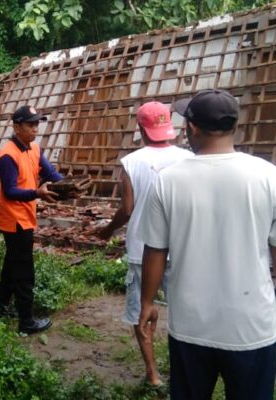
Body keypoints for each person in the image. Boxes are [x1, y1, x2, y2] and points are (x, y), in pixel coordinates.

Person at [137, 89, 276, 399]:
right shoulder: (269, 177)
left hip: (190, 326)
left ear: (193, 128)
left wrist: (147, 302)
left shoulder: (168, 181)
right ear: (234, 127)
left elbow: (156, 250)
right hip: (251, 328)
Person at [95, 101, 193, 386]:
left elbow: (127, 209)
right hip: (180, 247)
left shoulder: (132, 162)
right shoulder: (188, 158)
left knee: (142, 310)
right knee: (184, 311)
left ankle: (152, 374)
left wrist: (107, 230)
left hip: (142, 248)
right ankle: (185, 371)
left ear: (141, 128)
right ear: (169, 126)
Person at [0, 105, 62, 334]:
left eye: (37, 124)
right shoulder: (7, 156)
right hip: (14, 219)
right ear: (16, 127)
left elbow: (50, 172)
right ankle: (26, 320)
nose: (35, 129)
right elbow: (11, 191)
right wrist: (37, 193)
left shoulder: (34, 148)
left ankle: (2, 304)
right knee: (24, 270)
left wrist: (67, 185)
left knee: (12, 262)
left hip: (26, 215)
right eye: (30, 124)